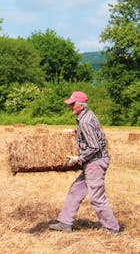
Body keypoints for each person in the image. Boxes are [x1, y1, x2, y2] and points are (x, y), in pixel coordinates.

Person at [49, 91, 120, 233]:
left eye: (72, 104)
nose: (70, 106)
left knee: (96, 198)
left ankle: (112, 229)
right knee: (76, 190)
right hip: (93, 162)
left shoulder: (85, 121)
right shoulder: (88, 115)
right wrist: (75, 131)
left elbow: (95, 146)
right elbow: (94, 132)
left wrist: (78, 158)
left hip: (95, 163)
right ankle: (65, 222)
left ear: (80, 106)